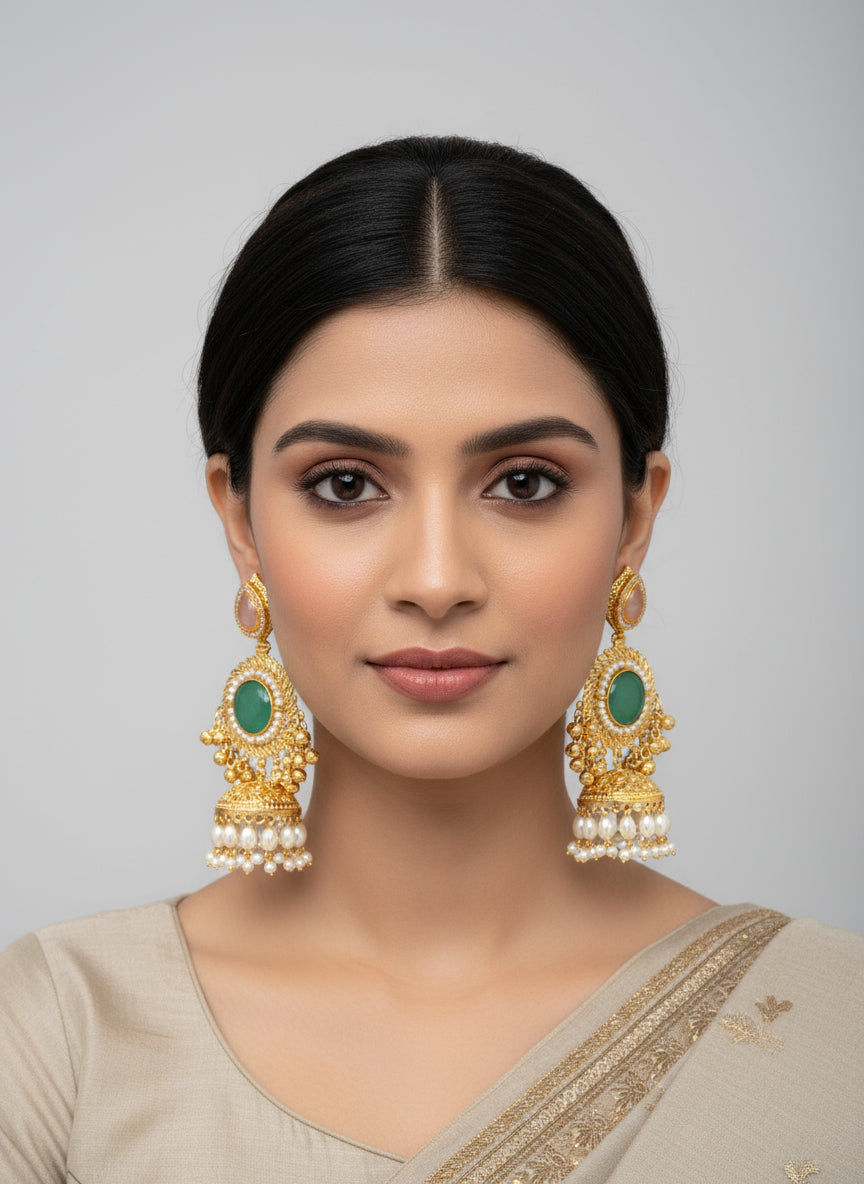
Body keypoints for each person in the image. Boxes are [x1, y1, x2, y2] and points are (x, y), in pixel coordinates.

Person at [1, 136, 860, 1183]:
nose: (439, 577)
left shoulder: (830, 1031)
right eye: (348, 484)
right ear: (239, 518)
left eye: (527, 482)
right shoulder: (61, 1036)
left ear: (636, 517)